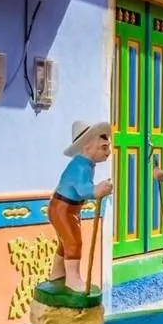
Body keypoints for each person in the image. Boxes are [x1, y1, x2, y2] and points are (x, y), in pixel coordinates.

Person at [49, 120, 113, 292]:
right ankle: (72, 279)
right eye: (104, 147)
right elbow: (83, 190)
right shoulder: (80, 166)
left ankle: (57, 273)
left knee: (65, 242)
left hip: (68, 208)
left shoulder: (86, 164)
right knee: (73, 242)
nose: (108, 152)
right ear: (87, 148)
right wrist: (97, 189)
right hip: (63, 209)